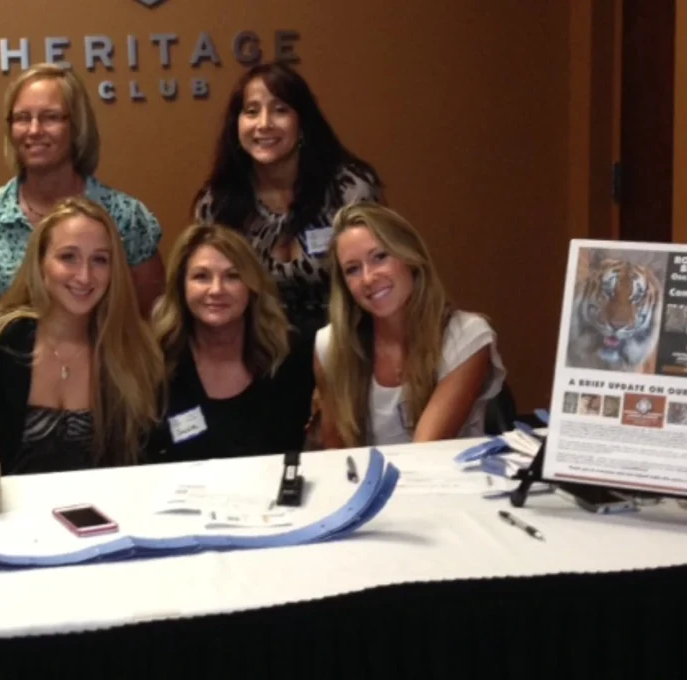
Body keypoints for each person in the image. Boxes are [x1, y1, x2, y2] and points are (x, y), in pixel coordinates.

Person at [0, 196, 165, 475]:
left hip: (105, 514)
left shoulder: (134, 351)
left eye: (100, 260)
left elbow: (148, 469)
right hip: (3, 515)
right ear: (40, 262)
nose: (84, 276)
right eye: (68, 257)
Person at [0, 63, 165, 326]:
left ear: (77, 126)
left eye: (50, 117)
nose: (33, 130)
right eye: (22, 118)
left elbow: (155, 322)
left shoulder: (127, 218)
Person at [192, 61, 383, 340]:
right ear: (237, 125)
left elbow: (378, 272)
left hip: (346, 343)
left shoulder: (349, 190)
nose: (264, 124)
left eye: (280, 110)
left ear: (302, 123)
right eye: (251, 111)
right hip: (257, 350)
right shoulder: (218, 204)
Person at [314, 203, 506, 448]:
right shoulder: (330, 346)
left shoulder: (468, 336)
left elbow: (423, 452)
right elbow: (337, 457)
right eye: (352, 269)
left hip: (446, 482)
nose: (368, 278)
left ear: (410, 257)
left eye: (380, 257)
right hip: (366, 484)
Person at [149, 223, 315, 462]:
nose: (216, 290)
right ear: (180, 286)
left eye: (232, 276)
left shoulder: (291, 353)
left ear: (251, 286)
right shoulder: (155, 362)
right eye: (201, 277)